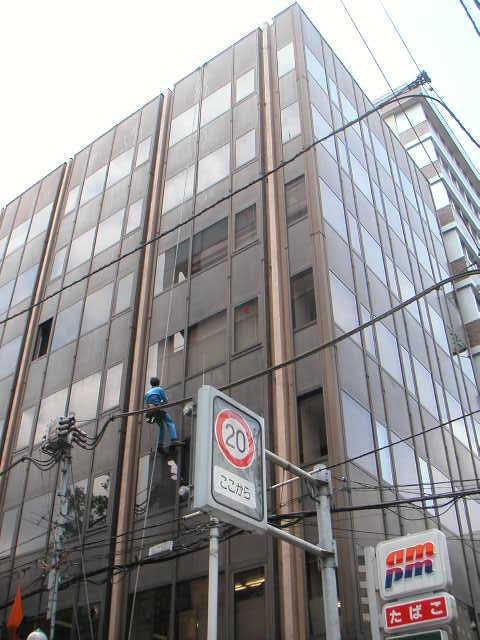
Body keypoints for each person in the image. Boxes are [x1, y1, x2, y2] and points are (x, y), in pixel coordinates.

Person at [144, 377, 179, 448]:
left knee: (161, 427)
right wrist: (161, 402)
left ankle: (160, 444)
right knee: (170, 422)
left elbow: (147, 404)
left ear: (151, 384)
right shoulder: (159, 389)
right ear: (158, 383)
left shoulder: (147, 393)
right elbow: (166, 401)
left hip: (151, 412)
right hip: (158, 409)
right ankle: (174, 439)